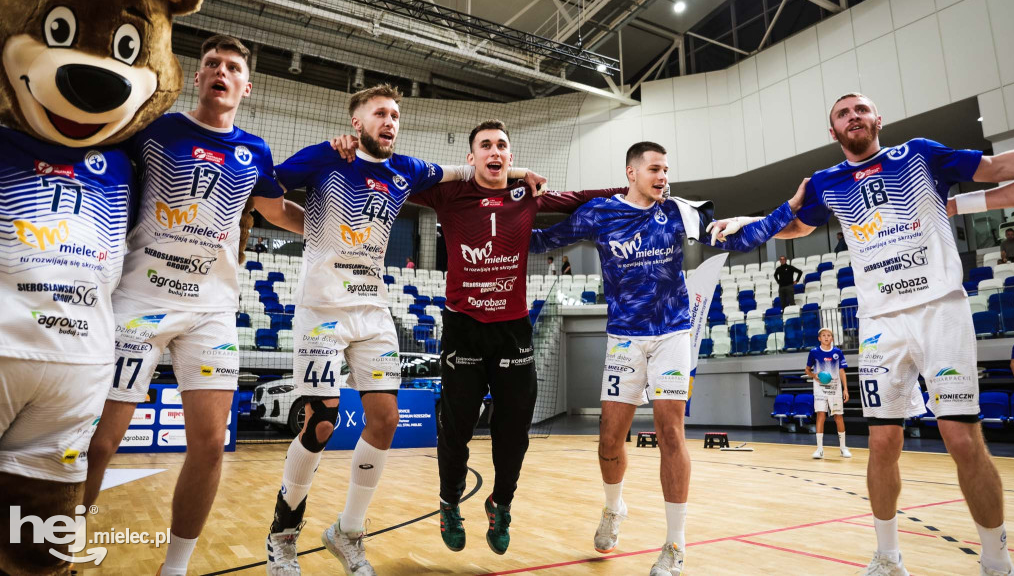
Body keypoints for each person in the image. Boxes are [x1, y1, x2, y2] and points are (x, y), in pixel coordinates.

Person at [265, 89, 545, 575]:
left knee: (386, 420)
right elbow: (263, 193)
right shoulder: (324, 158)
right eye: (380, 114)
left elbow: (468, 172)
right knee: (321, 424)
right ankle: (283, 535)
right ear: (357, 121)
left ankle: (347, 532)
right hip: (322, 310)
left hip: (374, 312)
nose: (389, 121)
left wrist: (520, 173)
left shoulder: (408, 169)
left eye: (395, 115)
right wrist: (308, 225)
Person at [82, 35, 306, 576]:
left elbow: (277, 212)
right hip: (139, 301)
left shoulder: (255, 150)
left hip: (210, 313)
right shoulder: (156, 128)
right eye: (212, 65)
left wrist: (336, 237)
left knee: (208, 446)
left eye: (232, 67)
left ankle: (175, 568)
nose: (221, 73)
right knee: (100, 442)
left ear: (245, 87)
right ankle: (59, 543)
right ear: (198, 76)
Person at [531, 141, 802, 576]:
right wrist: (485, 221)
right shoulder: (600, 214)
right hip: (624, 339)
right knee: (608, 441)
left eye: (666, 169)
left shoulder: (679, 210)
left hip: (673, 334)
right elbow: (543, 239)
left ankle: (674, 545)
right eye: (654, 169)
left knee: (671, 433)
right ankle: (614, 509)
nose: (663, 177)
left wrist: (786, 210)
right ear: (631, 173)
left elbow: (742, 237)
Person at [777, 91, 1014, 576]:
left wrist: (971, 196)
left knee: (962, 438)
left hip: (939, 312)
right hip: (879, 324)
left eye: (860, 110)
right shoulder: (827, 181)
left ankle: (996, 559)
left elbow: (993, 168)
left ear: (877, 119)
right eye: (842, 114)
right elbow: (796, 229)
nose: (853, 117)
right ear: (833, 132)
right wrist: (784, 208)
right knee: (883, 443)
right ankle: (888, 556)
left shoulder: (919, 154)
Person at [408, 120, 624, 556]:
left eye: (502, 146)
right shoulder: (447, 194)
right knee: (456, 429)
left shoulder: (527, 194)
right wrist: (472, 172)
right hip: (463, 330)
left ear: (509, 156)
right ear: (471, 158)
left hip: (513, 330)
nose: (494, 151)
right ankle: (449, 502)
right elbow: (402, 176)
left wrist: (632, 189)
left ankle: (500, 503)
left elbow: (580, 198)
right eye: (485, 146)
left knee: (515, 432)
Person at [804, 328, 851, 459]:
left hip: (835, 389)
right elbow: (807, 370)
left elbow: (842, 371)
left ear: (832, 338)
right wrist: (814, 375)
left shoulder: (837, 352)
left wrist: (845, 389)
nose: (826, 337)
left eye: (829, 335)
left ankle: (843, 448)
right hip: (820, 389)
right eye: (823, 335)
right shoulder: (814, 352)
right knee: (821, 415)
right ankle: (819, 450)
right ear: (819, 338)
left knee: (838, 417)